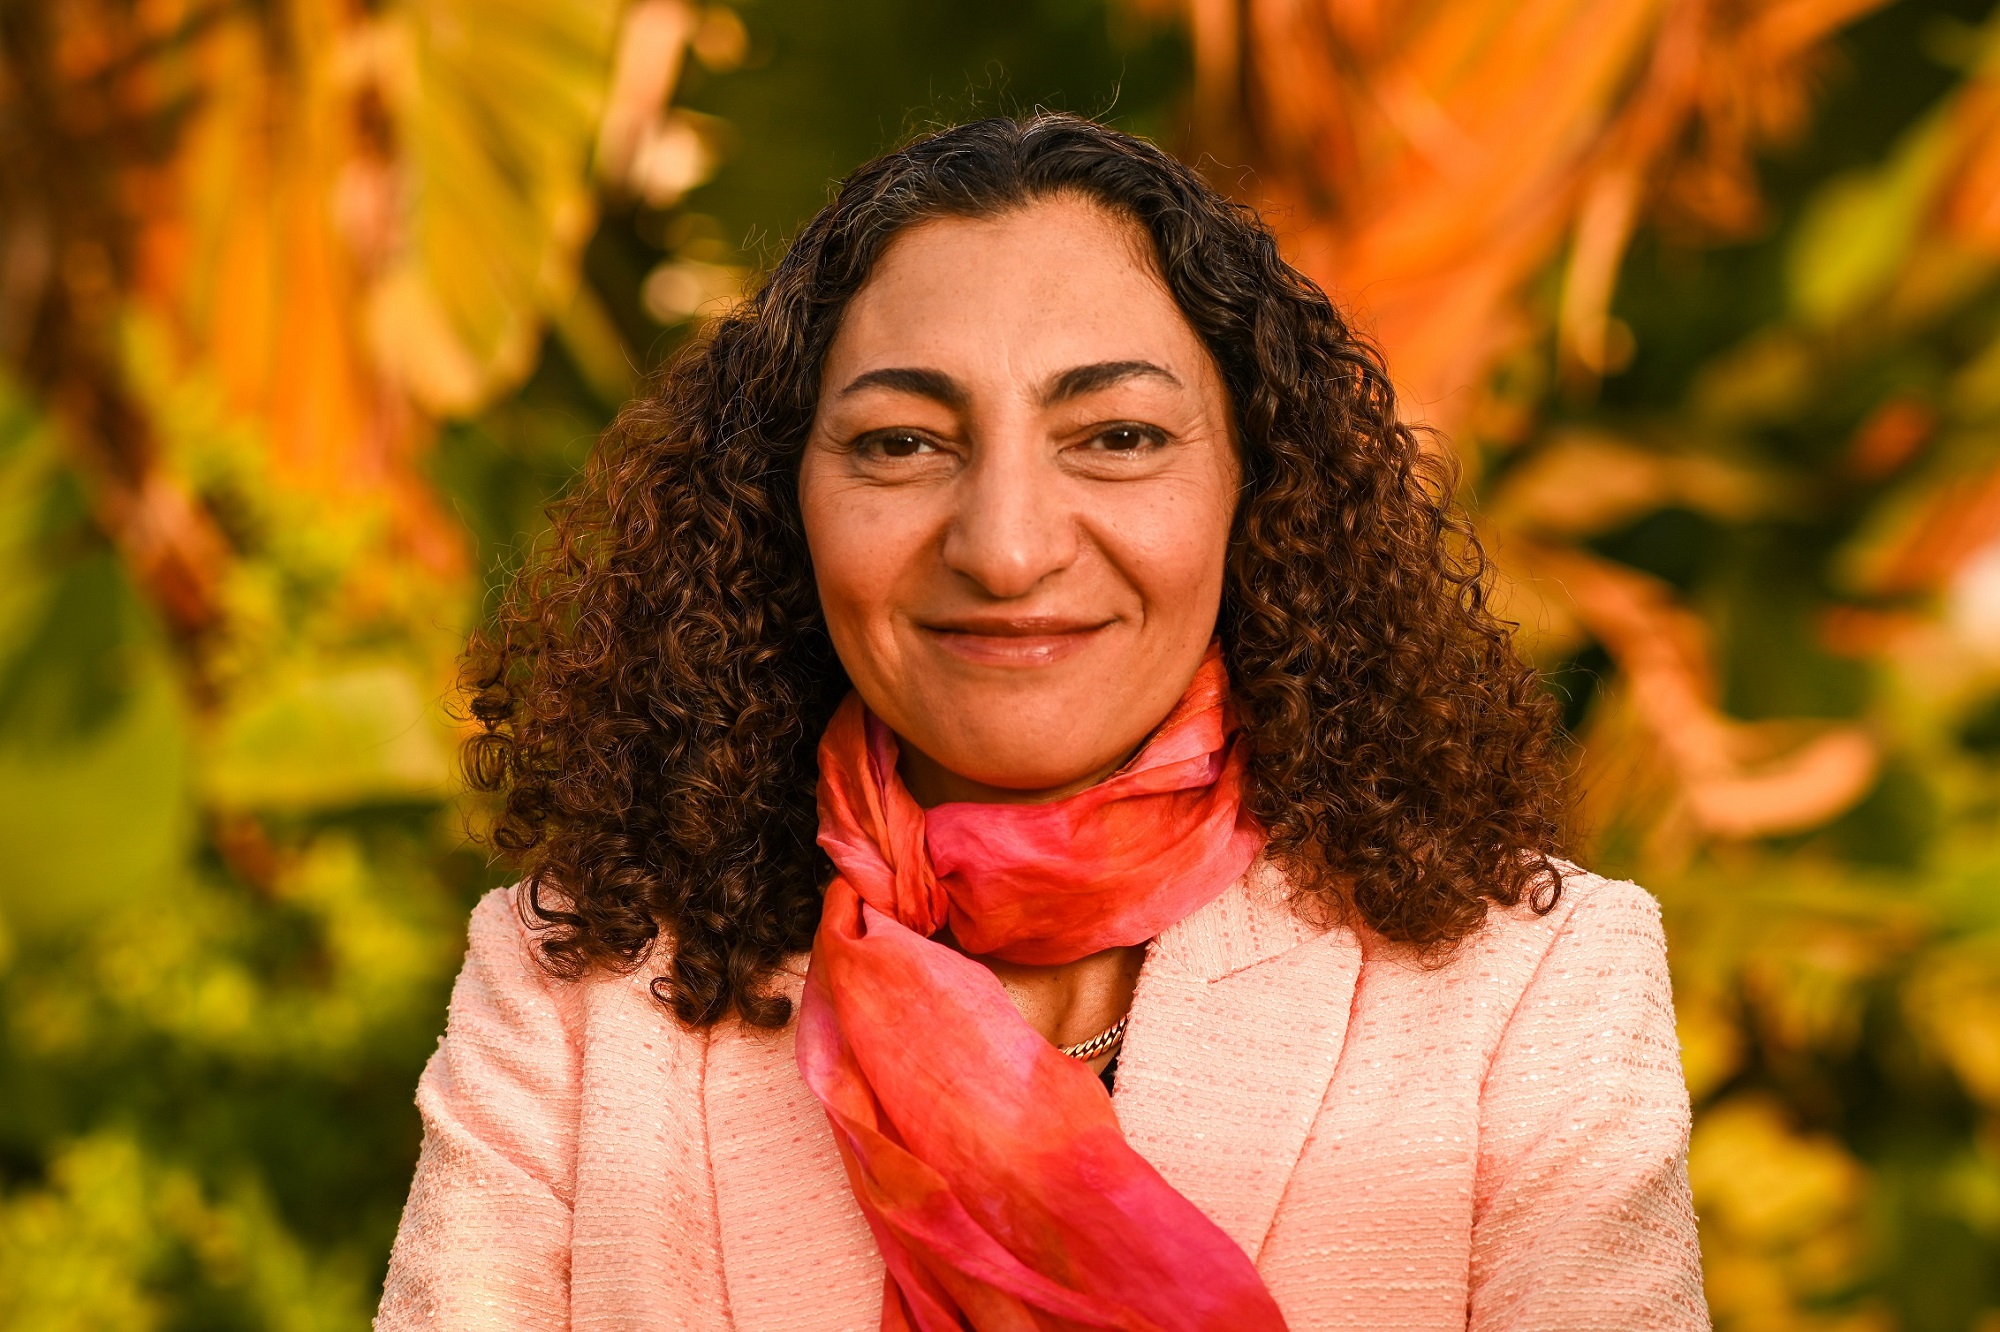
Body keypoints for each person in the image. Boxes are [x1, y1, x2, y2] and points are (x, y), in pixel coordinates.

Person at [375, 114, 1707, 1331]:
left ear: (1259, 488)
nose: (1006, 548)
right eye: (902, 443)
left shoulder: (1531, 988)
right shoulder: (579, 991)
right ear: (782, 502)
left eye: (1117, 437)